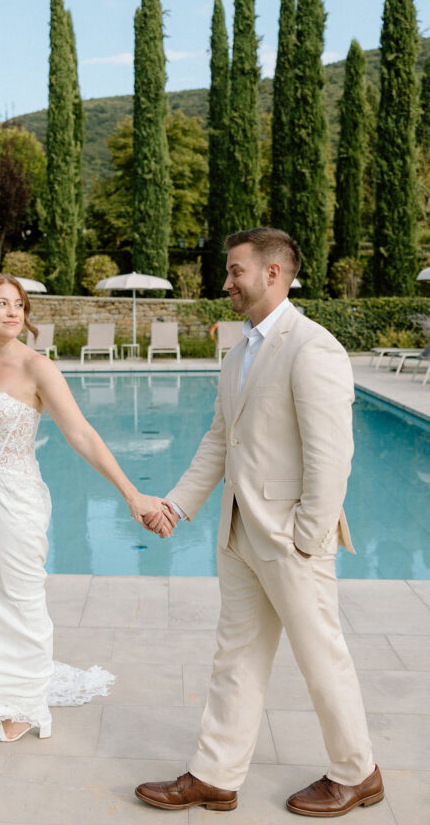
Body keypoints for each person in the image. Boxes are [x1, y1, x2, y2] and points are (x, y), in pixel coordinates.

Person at [136, 228, 383, 818]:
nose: (226, 283)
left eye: (235, 271)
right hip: (238, 534)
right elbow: (221, 440)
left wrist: (307, 533)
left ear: (274, 274)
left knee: (321, 656)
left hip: (291, 540)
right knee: (236, 656)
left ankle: (357, 773)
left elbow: (332, 455)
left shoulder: (313, 348)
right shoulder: (239, 351)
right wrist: (177, 504)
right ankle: (215, 775)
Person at [0, 273, 170, 752]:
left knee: (22, 607)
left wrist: (130, 493)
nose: (15, 312)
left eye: (19, 304)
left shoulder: (38, 368)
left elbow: (80, 434)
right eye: (2, 303)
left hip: (14, 505)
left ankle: (25, 704)